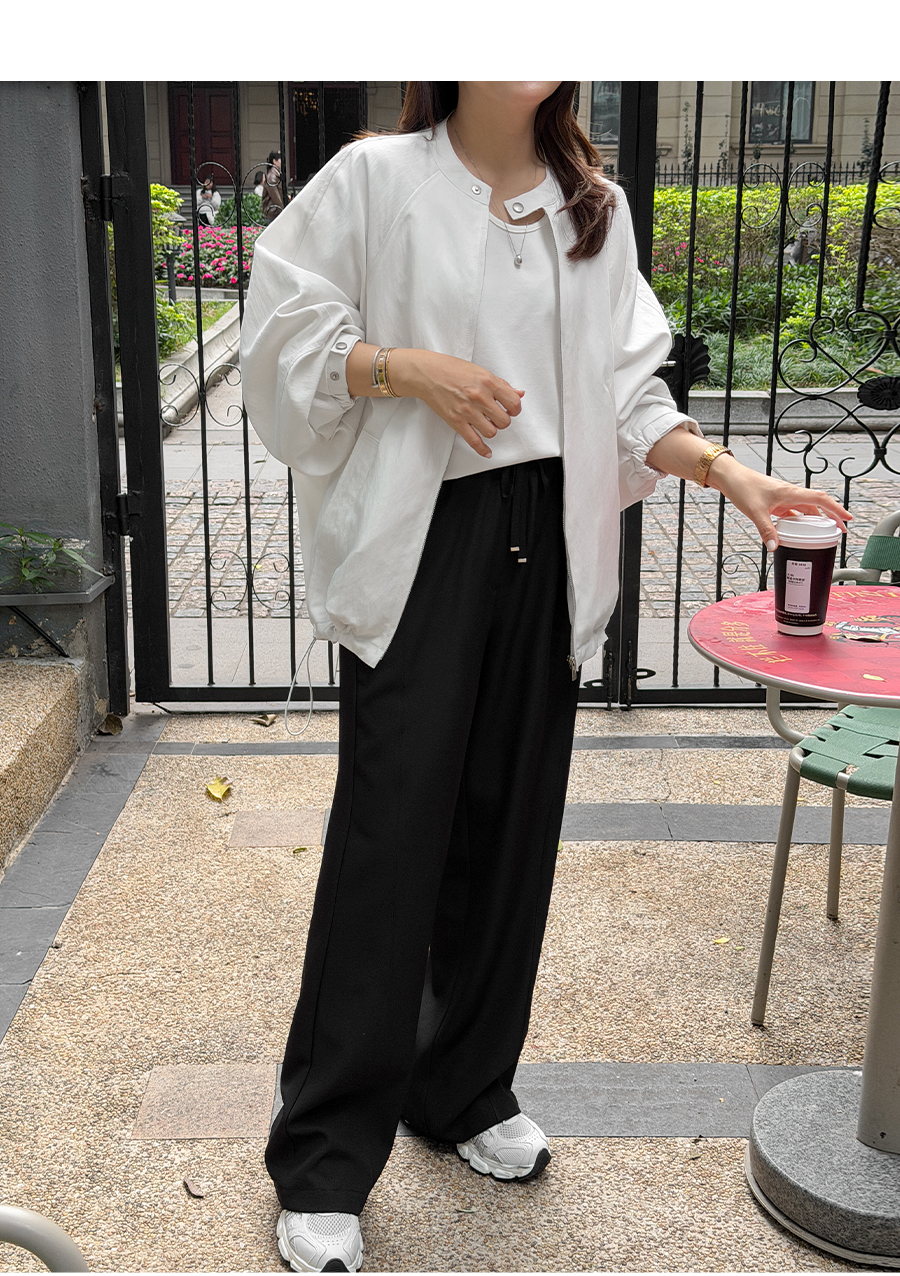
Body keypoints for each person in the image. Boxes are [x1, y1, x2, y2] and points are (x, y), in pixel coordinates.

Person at [240, 82, 850, 1274]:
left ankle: (462, 1087)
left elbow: (627, 394)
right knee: (388, 844)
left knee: (509, 829)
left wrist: (729, 473)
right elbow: (282, 338)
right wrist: (403, 366)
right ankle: (322, 1155)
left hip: (550, 537)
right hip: (425, 539)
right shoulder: (375, 180)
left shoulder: (592, 205)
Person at [261, 149, 285, 222]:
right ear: (274, 161)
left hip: (276, 212)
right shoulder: (272, 177)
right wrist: (284, 210)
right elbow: (276, 198)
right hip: (273, 213)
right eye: (280, 159)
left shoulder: (276, 174)